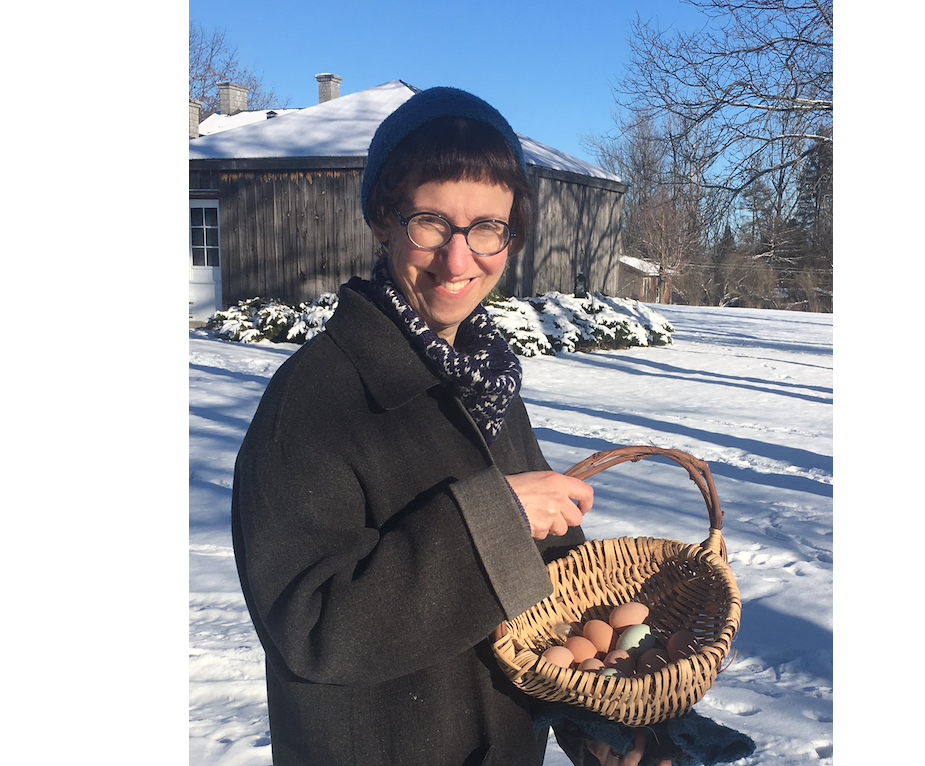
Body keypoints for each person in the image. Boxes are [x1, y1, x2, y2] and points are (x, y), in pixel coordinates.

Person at [231, 86, 666, 766]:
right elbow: (309, 626)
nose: (459, 260)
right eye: (431, 222)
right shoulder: (316, 400)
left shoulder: (488, 383)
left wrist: (597, 719)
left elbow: (555, 594)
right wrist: (496, 520)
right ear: (383, 218)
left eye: (489, 227)